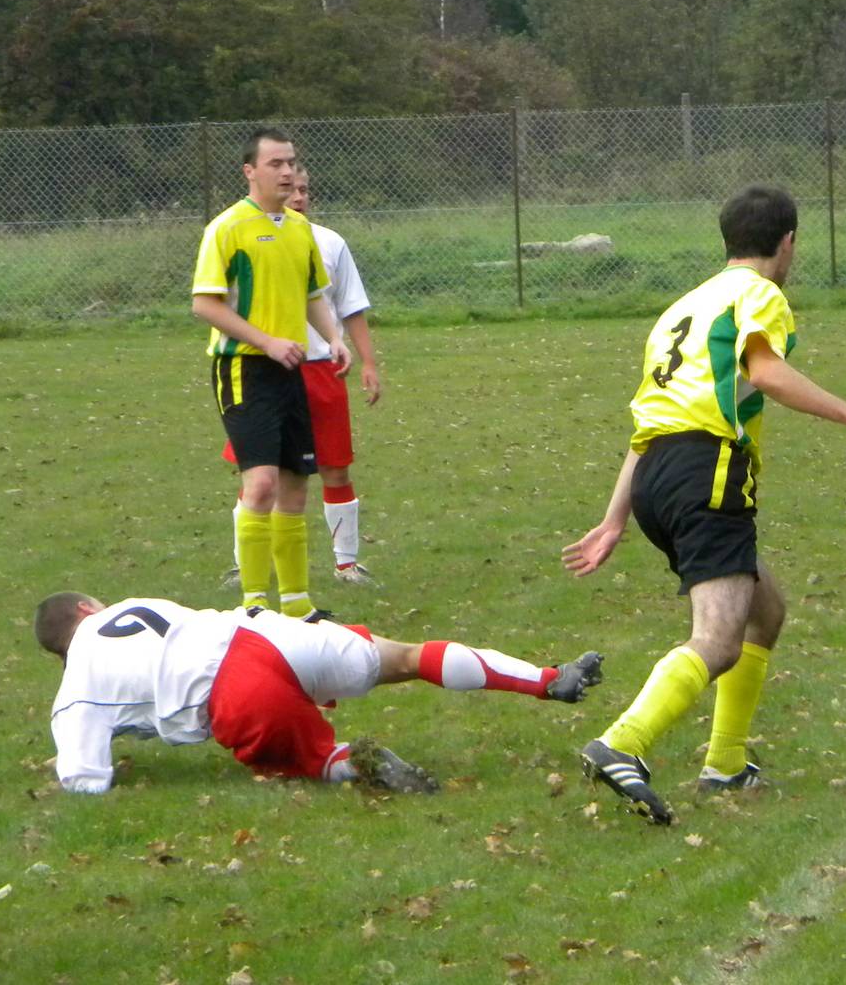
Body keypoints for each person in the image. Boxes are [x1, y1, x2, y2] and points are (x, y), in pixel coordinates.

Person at [562, 185, 846, 825]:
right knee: (718, 640)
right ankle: (622, 742)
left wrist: (615, 518)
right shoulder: (759, 294)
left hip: (656, 476)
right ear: (788, 242)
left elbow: (649, 427)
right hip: (709, 470)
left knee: (764, 610)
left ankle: (725, 764)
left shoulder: (681, 309)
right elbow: (765, 373)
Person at [32, 593, 603, 794]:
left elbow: (84, 780)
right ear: (88, 609)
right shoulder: (133, 605)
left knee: (316, 759)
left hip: (232, 692)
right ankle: (546, 678)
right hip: (264, 633)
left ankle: (360, 761)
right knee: (406, 658)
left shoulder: (75, 689)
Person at [194, 129, 351, 620]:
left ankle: (299, 605)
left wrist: (334, 338)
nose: (286, 172)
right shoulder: (227, 228)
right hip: (244, 367)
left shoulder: (300, 229)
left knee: (295, 484)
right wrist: (266, 341)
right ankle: (254, 604)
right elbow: (205, 304)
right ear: (250, 171)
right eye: (275, 164)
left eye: (290, 162)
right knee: (260, 484)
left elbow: (312, 295)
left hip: (292, 368)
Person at [224, 166, 383, 587]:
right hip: (265, 370)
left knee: (335, 468)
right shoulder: (241, 235)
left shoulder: (329, 243)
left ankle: (346, 565)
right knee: (260, 473)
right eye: (290, 188)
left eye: (304, 189)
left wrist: (368, 362)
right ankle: (245, 566)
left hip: (320, 370)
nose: (297, 196)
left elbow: (351, 307)